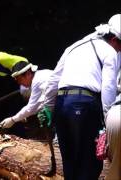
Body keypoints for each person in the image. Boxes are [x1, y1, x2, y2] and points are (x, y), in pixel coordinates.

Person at [40, 14, 121, 180]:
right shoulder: (110, 52)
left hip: (62, 104)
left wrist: (47, 107)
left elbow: (53, 80)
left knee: (70, 163)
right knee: (89, 164)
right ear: (113, 38)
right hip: (85, 105)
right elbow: (108, 88)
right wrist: (107, 122)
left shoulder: (73, 47)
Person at [0, 61, 53, 129]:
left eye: (19, 79)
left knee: (43, 115)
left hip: (65, 100)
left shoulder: (37, 81)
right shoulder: (41, 74)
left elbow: (32, 107)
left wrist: (13, 119)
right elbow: (40, 104)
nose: (19, 83)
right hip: (64, 99)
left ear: (28, 74)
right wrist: (22, 116)